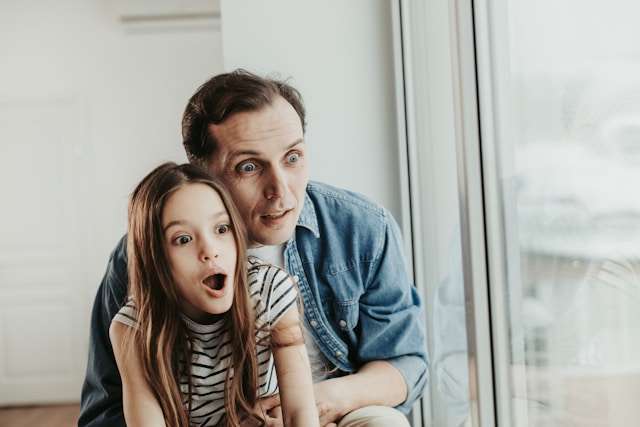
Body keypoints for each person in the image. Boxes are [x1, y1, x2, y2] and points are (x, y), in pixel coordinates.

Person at [79, 69, 429, 427]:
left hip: (337, 409)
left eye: (292, 157)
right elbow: (105, 410)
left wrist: (324, 400)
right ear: (203, 173)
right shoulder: (142, 255)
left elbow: (406, 363)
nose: (280, 189)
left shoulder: (362, 227)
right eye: (249, 167)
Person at [110, 161, 318, 427]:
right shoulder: (132, 328)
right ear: (155, 256)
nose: (210, 250)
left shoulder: (269, 291)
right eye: (183, 239)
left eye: (221, 229)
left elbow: (300, 413)